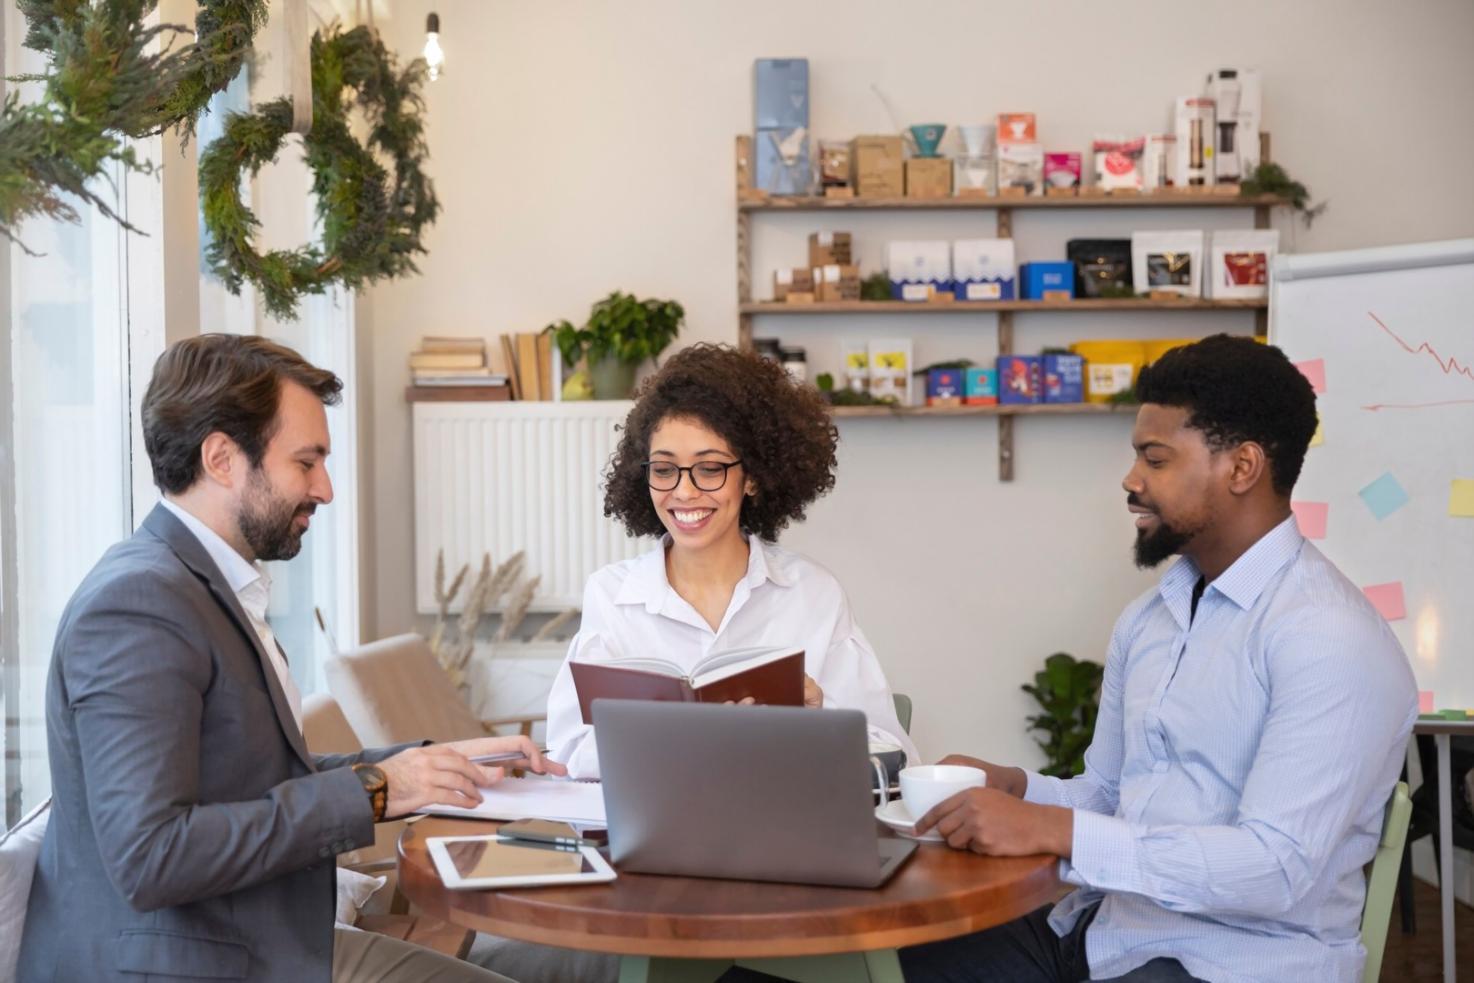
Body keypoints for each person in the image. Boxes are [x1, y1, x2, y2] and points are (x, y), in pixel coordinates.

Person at [19, 334, 562, 983]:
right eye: (306, 461)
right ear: (222, 458)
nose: (326, 488)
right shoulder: (140, 605)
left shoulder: (201, 585)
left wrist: (421, 766)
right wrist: (381, 789)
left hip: (252, 940)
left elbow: (254, 776)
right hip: (189, 962)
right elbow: (151, 855)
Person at [899, 335, 1417, 983]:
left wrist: (1052, 827)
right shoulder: (1152, 617)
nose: (1131, 479)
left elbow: (1275, 867)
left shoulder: (1331, 639)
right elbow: (1115, 793)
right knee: (884, 966)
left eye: (1156, 458)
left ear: (1242, 467)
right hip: (1108, 933)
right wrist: (1017, 787)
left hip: (1238, 960)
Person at [544, 343, 917, 780]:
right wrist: (667, 735)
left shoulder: (812, 593)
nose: (683, 492)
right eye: (664, 469)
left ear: (753, 477)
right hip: (656, 834)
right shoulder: (610, 596)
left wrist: (819, 715)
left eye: (710, 468)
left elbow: (893, 758)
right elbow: (567, 755)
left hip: (784, 834)